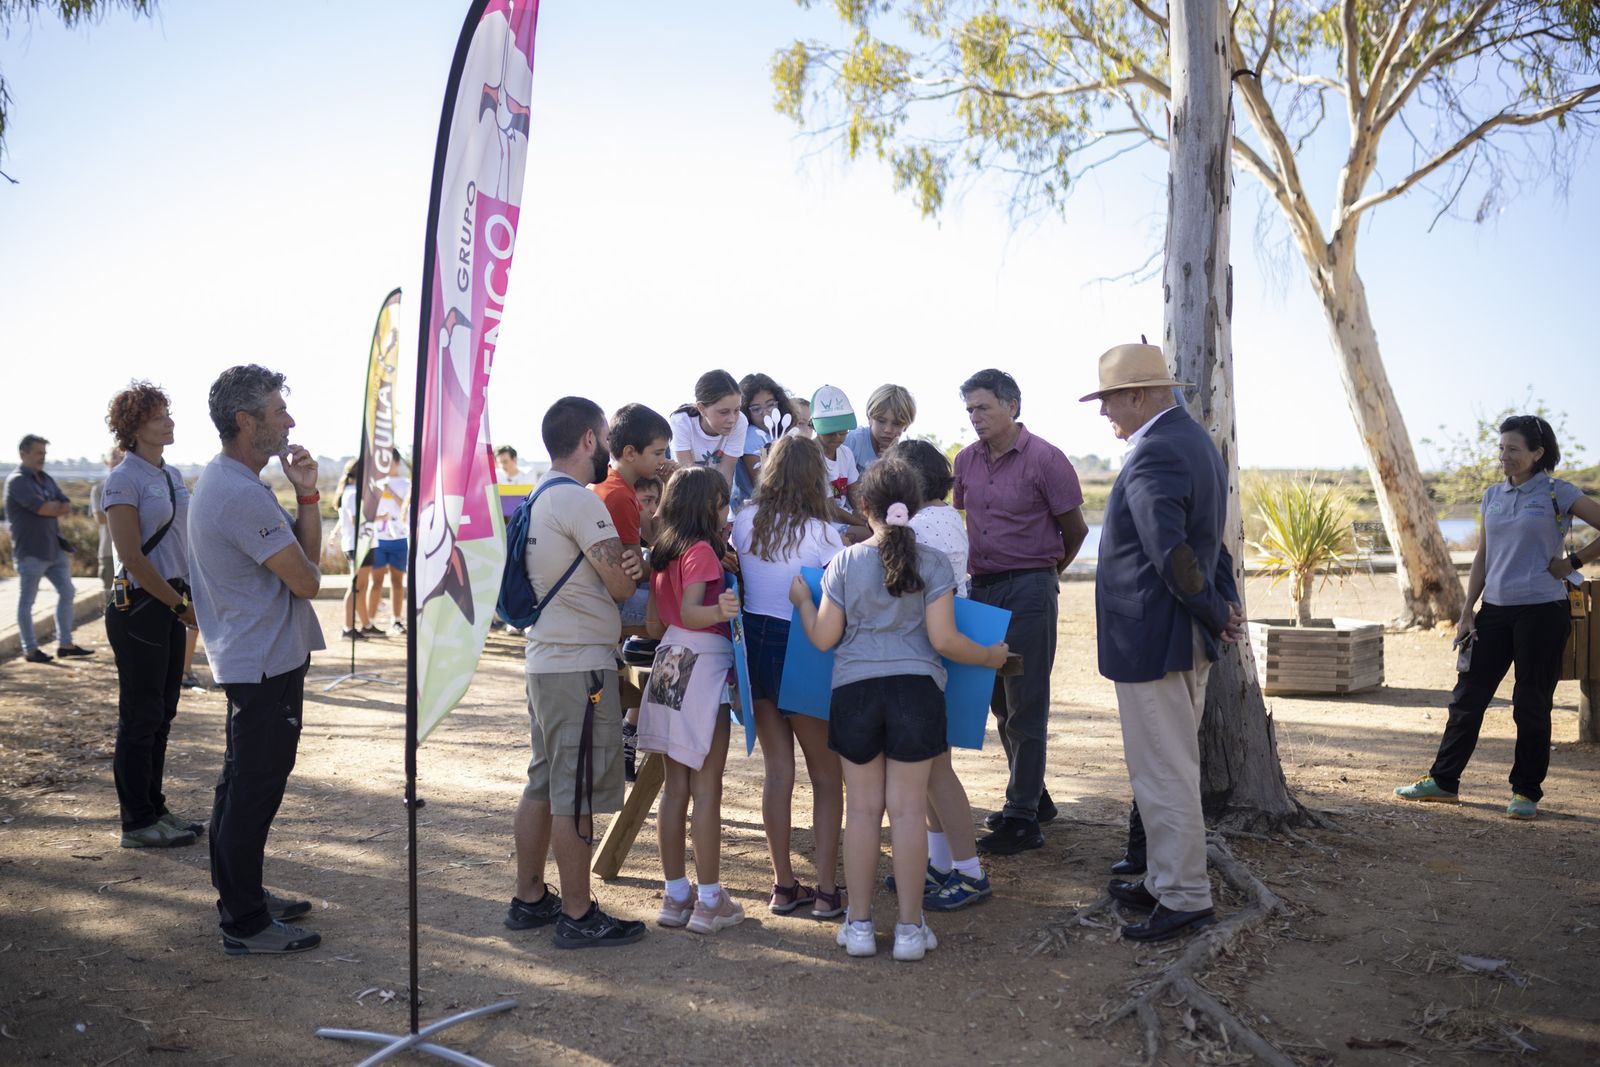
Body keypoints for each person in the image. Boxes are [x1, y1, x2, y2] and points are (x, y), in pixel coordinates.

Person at [789, 458, 1008, 960]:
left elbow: (824, 638)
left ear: (864, 508)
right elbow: (944, 639)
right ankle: (910, 929)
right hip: (917, 693)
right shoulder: (933, 563)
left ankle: (860, 925)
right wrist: (990, 656)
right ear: (915, 505)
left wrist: (804, 599)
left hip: (856, 694)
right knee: (908, 812)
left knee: (863, 812)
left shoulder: (844, 563)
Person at [1084, 342, 1244, 943]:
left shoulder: (1154, 454)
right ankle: (1160, 878)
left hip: (1154, 638)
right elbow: (1215, 543)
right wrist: (1224, 607)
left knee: (1163, 771)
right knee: (1167, 765)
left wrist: (1211, 605)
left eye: (1108, 400)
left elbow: (1173, 553)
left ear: (1138, 395)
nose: (1104, 413)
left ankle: (1183, 896)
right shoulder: (1195, 442)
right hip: (1181, 635)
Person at [1396, 414, 1600, 819]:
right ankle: (1443, 781)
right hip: (1494, 611)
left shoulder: (1558, 492)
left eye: (1513, 449)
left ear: (1538, 453)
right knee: (1467, 698)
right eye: (1501, 448)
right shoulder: (1493, 495)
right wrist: (1467, 610)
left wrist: (1573, 562)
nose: (1504, 456)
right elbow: (1483, 556)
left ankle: (1525, 793)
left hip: (1543, 611)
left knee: (1531, 702)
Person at [188, 364, 326, 956]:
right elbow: (308, 579)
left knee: (241, 783)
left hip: (258, 658)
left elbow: (305, 563)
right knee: (253, 788)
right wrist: (304, 528)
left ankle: (240, 896)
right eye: (277, 412)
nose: (289, 420)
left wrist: (308, 495)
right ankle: (244, 923)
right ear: (245, 422)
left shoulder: (232, 482)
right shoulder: (239, 493)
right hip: (263, 662)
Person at [507, 396, 647, 949]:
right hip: (579, 667)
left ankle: (530, 898)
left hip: (546, 660)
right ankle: (577, 912)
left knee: (544, 780)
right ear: (590, 439)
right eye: (605, 437)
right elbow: (619, 584)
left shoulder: (539, 493)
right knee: (575, 791)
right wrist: (631, 568)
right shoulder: (582, 502)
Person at [954, 369, 1087, 854]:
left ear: (1012, 405)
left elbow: (1075, 531)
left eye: (983, 407)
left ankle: (1023, 818)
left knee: (1026, 700)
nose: (975, 418)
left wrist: (1044, 575)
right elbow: (962, 521)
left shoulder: (1046, 459)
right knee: (998, 701)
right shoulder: (964, 462)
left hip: (1029, 591)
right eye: (969, 409)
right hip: (982, 592)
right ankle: (1034, 797)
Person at [730, 435, 846, 919]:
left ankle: (782, 885)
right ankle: (824, 891)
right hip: (803, 649)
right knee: (826, 776)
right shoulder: (824, 532)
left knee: (777, 772)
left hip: (754, 650)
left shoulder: (743, 520)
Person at [883, 439, 990, 911]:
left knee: (938, 769)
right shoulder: (946, 517)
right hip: (932, 646)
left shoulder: (922, 525)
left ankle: (968, 871)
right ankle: (942, 862)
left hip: (928, 650)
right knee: (927, 768)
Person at [638, 466, 745, 935]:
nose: (727, 512)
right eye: (724, 504)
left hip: (668, 660)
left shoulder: (663, 552)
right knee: (707, 787)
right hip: (702, 662)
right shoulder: (701, 550)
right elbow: (691, 612)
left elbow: (658, 622)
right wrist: (721, 607)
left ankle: (675, 894)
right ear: (708, 506)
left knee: (674, 787)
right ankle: (709, 900)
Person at [102, 383, 201, 850]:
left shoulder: (172, 474)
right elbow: (134, 559)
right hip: (142, 606)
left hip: (171, 601)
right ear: (134, 426)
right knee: (139, 717)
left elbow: (185, 543)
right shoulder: (123, 479)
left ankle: (155, 808)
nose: (169, 421)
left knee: (162, 713)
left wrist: (188, 597)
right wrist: (181, 608)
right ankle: (136, 822)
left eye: (169, 413)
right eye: (158, 415)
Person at [5, 434, 93, 663]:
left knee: (67, 592)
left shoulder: (45, 478)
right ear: (23, 453)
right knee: (27, 602)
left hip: (54, 550)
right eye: (38, 453)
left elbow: (65, 504)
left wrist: (53, 507)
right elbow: (43, 508)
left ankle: (65, 644)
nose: (42, 458)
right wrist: (53, 507)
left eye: (44, 453)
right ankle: (30, 650)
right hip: (30, 552)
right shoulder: (17, 481)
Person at [669, 369, 750, 491]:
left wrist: (720, 505)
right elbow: (687, 474)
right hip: (684, 492)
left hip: (715, 491)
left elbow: (726, 475)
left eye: (737, 410)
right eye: (724, 412)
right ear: (701, 408)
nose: (732, 419)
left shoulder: (740, 423)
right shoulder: (681, 421)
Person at [810, 385, 870, 543]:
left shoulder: (846, 453)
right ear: (814, 425)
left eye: (843, 432)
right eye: (830, 432)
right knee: (874, 537)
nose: (837, 437)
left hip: (844, 518)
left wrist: (866, 515)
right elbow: (829, 509)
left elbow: (855, 491)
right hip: (821, 523)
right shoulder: (809, 455)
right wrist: (865, 524)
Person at [329, 458, 378, 640]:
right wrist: (377, 514)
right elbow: (354, 519)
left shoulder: (354, 492)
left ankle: (366, 625)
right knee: (356, 586)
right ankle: (348, 628)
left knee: (361, 586)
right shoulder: (352, 493)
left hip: (365, 543)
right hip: (358, 545)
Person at [734, 372, 796, 508]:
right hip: (759, 509)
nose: (766, 412)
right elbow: (761, 485)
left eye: (770, 405)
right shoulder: (751, 435)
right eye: (756, 409)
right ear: (746, 411)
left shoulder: (782, 432)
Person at [367, 461, 409, 634]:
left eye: (390, 461)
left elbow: (405, 507)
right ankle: (368, 622)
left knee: (397, 581)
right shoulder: (375, 482)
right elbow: (367, 511)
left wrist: (390, 491)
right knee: (376, 582)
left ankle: (397, 620)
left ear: (397, 463)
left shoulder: (406, 484)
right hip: (378, 540)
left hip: (400, 538)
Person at [844, 384, 916, 471]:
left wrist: (889, 463)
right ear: (869, 418)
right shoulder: (852, 441)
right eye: (881, 421)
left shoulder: (904, 456)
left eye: (896, 424)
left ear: (906, 426)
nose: (888, 430)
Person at [91, 447, 125, 594]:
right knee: (110, 597)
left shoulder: (133, 485)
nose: (118, 460)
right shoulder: (98, 489)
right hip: (108, 551)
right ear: (106, 461)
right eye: (114, 457)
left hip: (136, 552)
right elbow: (100, 518)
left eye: (121, 456)